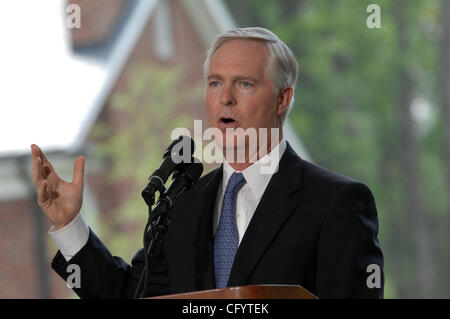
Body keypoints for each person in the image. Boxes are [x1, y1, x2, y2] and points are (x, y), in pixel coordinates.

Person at [30, 27, 384, 298]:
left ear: (282, 99)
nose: (225, 99)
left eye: (244, 84)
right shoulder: (182, 203)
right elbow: (129, 295)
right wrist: (69, 225)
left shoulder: (336, 203)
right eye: (215, 83)